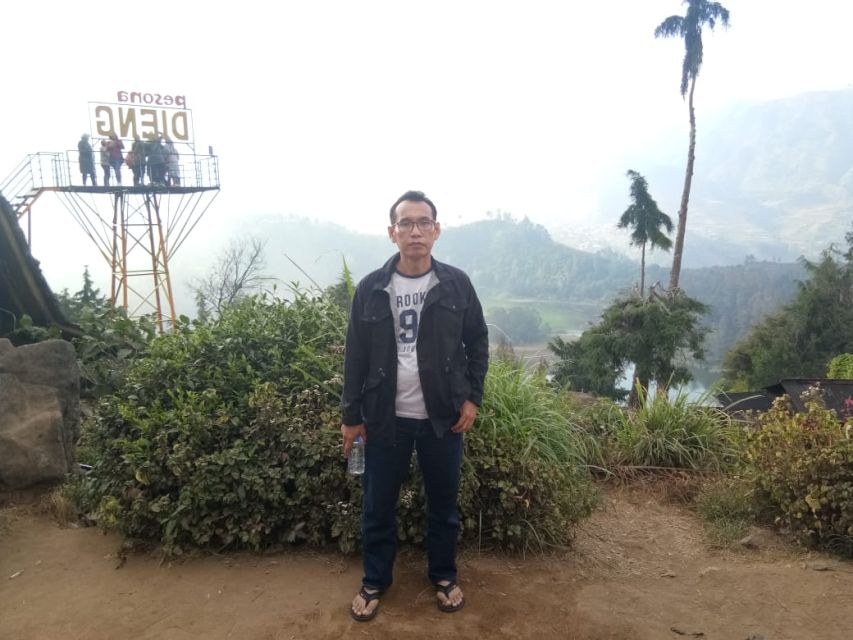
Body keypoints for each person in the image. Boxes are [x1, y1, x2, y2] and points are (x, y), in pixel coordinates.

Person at [341, 190, 489, 622]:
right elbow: (355, 356)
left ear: (436, 230)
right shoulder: (371, 289)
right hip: (384, 418)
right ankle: (375, 580)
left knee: (443, 504)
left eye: (424, 222)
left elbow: (478, 341)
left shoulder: (456, 284)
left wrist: (472, 397)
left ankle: (443, 575)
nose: (415, 231)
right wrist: (351, 417)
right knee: (377, 505)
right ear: (392, 233)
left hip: (442, 418)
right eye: (405, 223)